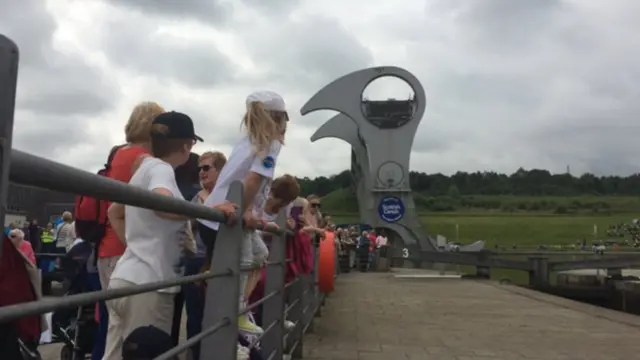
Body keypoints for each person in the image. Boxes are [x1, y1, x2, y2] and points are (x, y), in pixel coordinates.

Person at [103, 111, 237, 360]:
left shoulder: (144, 168)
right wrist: (206, 210)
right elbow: (162, 204)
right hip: (149, 285)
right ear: (188, 146)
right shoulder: (162, 171)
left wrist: (136, 246)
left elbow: (114, 212)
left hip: (125, 278)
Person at [199, 90, 289, 335]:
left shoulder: (248, 140)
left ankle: (236, 304)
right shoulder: (270, 143)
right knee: (247, 259)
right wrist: (242, 211)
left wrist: (248, 208)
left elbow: (238, 178)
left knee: (259, 255)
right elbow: (252, 180)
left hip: (217, 213)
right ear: (278, 119)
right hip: (228, 215)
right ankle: (236, 311)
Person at [180, 151, 226, 360]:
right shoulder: (195, 198)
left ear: (221, 171)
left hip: (223, 263)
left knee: (221, 314)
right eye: (200, 168)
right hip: (197, 261)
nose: (201, 172)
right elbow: (184, 227)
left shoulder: (229, 196)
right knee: (195, 317)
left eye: (207, 168)